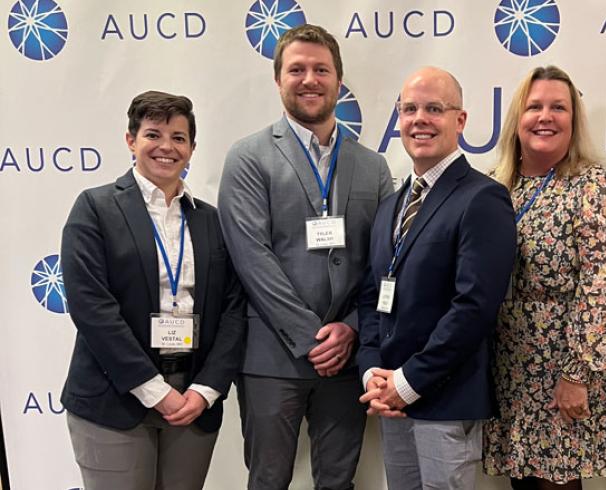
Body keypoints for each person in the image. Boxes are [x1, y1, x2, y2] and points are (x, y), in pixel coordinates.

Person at [218, 24, 393, 490]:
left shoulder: (372, 166)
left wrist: (352, 327)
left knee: (338, 481)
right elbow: (251, 258)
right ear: (279, 80)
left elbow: (384, 262)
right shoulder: (248, 157)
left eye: (321, 69)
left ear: (339, 82)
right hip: (272, 358)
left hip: (346, 357)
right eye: (297, 69)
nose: (309, 79)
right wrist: (311, 337)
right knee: (268, 479)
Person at [60, 90, 247, 489]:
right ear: (131, 140)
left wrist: (206, 388)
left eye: (179, 137)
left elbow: (233, 309)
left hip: (192, 400)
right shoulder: (95, 209)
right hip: (115, 397)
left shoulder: (211, 221)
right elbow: (93, 309)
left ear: (192, 148)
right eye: (153, 134)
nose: (167, 146)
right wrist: (155, 391)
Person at [357, 66, 516, 489]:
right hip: (391, 397)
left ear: (460, 120)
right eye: (409, 109)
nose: (419, 119)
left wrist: (409, 383)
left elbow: (474, 308)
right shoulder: (392, 204)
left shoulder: (483, 198)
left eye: (434, 108)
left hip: (444, 399)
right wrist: (372, 369)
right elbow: (372, 295)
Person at [483, 66, 606, 490]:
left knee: (556, 483)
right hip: (507, 364)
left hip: (562, 365)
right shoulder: (497, 185)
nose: (545, 116)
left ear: (573, 119)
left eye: (558, 107)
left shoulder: (592, 186)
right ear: (517, 118)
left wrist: (577, 373)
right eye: (535, 106)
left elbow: (602, 288)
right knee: (522, 482)